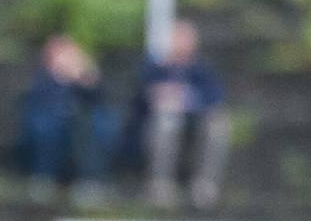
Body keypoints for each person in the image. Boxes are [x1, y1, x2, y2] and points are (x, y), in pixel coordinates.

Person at [17, 36, 118, 204]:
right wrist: (61, 78)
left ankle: (91, 180)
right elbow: (38, 101)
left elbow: (97, 100)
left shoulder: (85, 78)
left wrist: (84, 79)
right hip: (52, 120)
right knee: (46, 128)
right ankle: (43, 177)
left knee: (93, 129)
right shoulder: (43, 78)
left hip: (81, 122)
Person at [138, 19, 228, 209]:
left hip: (194, 123)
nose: (181, 43)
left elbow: (215, 97)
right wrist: (161, 96)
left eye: (186, 38)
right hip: (157, 126)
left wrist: (188, 98)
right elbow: (140, 98)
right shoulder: (155, 68)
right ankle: (161, 184)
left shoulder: (202, 70)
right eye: (177, 38)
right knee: (168, 119)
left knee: (218, 124)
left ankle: (205, 186)